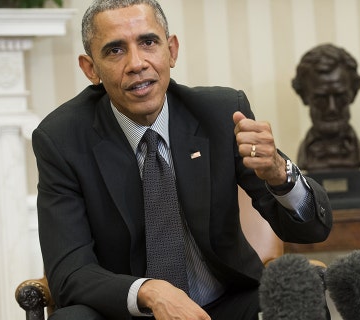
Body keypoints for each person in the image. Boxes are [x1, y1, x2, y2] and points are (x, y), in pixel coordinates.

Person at [31, 1, 333, 319]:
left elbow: (312, 230)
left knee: (301, 296)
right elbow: (69, 272)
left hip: (226, 304)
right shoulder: (62, 139)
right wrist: (149, 291)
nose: (137, 63)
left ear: (171, 50)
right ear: (91, 68)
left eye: (148, 42)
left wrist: (279, 175)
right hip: (126, 310)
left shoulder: (220, 113)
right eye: (115, 51)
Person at [292, 43, 360, 171]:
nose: (331, 108)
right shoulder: (306, 153)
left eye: (340, 97)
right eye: (321, 98)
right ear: (304, 96)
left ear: (353, 93)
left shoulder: (356, 151)